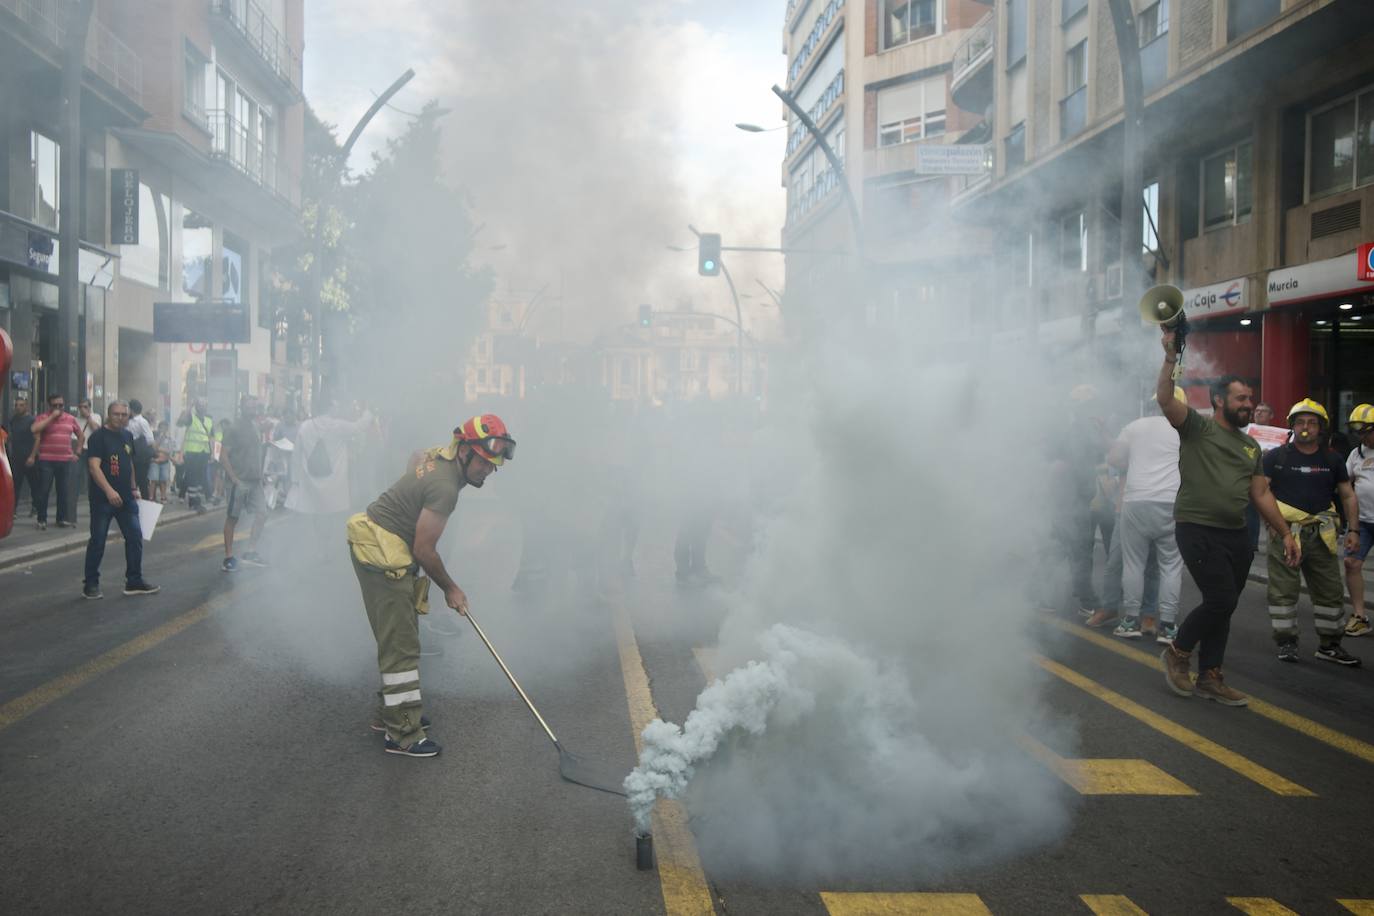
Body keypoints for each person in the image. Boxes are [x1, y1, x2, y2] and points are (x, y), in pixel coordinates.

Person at [347, 414, 515, 758]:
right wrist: (451, 589)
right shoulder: (446, 488)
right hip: (382, 555)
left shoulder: (442, 456)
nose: (489, 470)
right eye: (484, 462)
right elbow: (425, 549)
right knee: (402, 646)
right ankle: (403, 735)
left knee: (401, 638)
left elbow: (415, 456)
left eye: (494, 465)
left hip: (378, 543)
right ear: (466, 452)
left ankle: (390, 715)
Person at [1156, 330, 1299, 707]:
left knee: (1226, 606)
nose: (1249, 404)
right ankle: (1178, 651)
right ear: (1219, 401)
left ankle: (1211, 676)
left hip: (1236, 535)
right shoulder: (1196, 428)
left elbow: (1261, 493)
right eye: (1241, 398)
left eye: (1250, 399)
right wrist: (1170, 359)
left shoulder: (1251, 445)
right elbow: (1165, 399)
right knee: (1220, 600)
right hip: (1196, 528)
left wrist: (1284, 532)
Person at [1263, 399, 1362, 666]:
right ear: (1292, 426)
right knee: (1283, 591)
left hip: (1321, 535)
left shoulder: (1332, 459)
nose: (1306, 427)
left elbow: (1348, 496)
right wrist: (1272, 523)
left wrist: (1353, 530)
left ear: (1321, 428)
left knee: (1330, 591)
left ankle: (1330, 645)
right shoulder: (1276, 457)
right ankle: (1286, 642)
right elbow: (1262, 493)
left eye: (1312, 422)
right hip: (1286, 533)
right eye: (1300, 422)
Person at [1106, 387, 1188, 644]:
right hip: (1173, 502)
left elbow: (1115, 460)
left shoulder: (1133, 427)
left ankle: (1130, 620)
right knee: (1171, 566)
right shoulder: (1185, 429)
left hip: (1137, 499)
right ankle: (1168, 626)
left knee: (1134, 564)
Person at [82, 400, 159, 599]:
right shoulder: (98, 437)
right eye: (116, 414)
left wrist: (134, 488)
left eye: (124, 415)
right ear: (109, 414)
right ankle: (90, 583)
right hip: (103, 499)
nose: (120, 418)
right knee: (98, 541)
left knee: (135, 537)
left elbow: (129, 463)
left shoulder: (127, 435)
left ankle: (134, 581)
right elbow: (94, 467)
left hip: (126, 498)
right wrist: (109, 491)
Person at [220, 399, 270, 571]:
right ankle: (228, 557)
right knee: (233, 518)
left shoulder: (255, 426)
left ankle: (250, 551)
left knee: (262, 513)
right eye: (249, 406)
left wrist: (261, 474)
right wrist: (234, 479)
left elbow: (256, 452)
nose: (253, 409)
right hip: (239, 481)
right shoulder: (233, 428)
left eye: (255, 406)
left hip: (255, 481)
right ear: (242, 408)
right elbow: (223, 455)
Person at [29, 393, 83, 530]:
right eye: (55, 405)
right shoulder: (43, 417)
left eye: (61, 405)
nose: (58, 408)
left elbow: (81, 436)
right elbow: (34, 429)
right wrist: (52, 417)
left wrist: (78, 452)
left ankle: (61, 519)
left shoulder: (70, 419)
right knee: (44, 491)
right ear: (49, 406)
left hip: (65, 460)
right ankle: (42, 519)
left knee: (63, 490)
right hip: (46, 460)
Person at [1344, 404, 1374, 638]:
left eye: (1367, 431)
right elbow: (1344, 486)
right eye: (1359, 433)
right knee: (1351, 563)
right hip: (1363, 522)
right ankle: (1360, 616)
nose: (1363, 437)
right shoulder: (1357, 454)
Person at [176, 400, 214, 511]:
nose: (202, 407)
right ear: (196, 407)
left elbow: (211, 438)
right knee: (192, 478)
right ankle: (193, 503)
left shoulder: (209, 420)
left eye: (204, 405)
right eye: (200, 405)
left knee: (199, 478)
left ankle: (197, 501)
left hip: (204, 453)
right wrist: (189, 406)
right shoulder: (191, 418)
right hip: (192, 453)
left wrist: (213, 454)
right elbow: (180, 422)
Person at [3, 396, 37, 518]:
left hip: (29, 457)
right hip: (16, 458)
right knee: (15, 484)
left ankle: (35, 507)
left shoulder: (32, 420)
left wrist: (33, 456)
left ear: (26, 406)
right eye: (16, 405)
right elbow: (11, 436)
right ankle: (13, 510)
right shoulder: (13, 420)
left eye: (21, 405)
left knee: (34, 484)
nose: (18, 407)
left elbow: (37, 439)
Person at [126, 399, 156, 500]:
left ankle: (145, 502)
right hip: (129, 453)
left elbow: (150, 439)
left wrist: (139, 446)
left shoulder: (142, 421)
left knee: (142, 480)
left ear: (132, 409)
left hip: (140, 456)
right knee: (130, 480)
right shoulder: (128, 421)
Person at [149, 420, 175, 504]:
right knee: (154, 480)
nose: (163, 429)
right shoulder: (154, 436)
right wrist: (160, 438)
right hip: (155, 462)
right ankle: (151, 497)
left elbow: (169, 451)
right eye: (162, 427)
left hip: (164, 462)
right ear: (159, 428)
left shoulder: (169, 439)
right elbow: (153, 448)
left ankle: (163, 497)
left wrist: (160, 450)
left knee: (163, 480)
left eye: (165, 427)